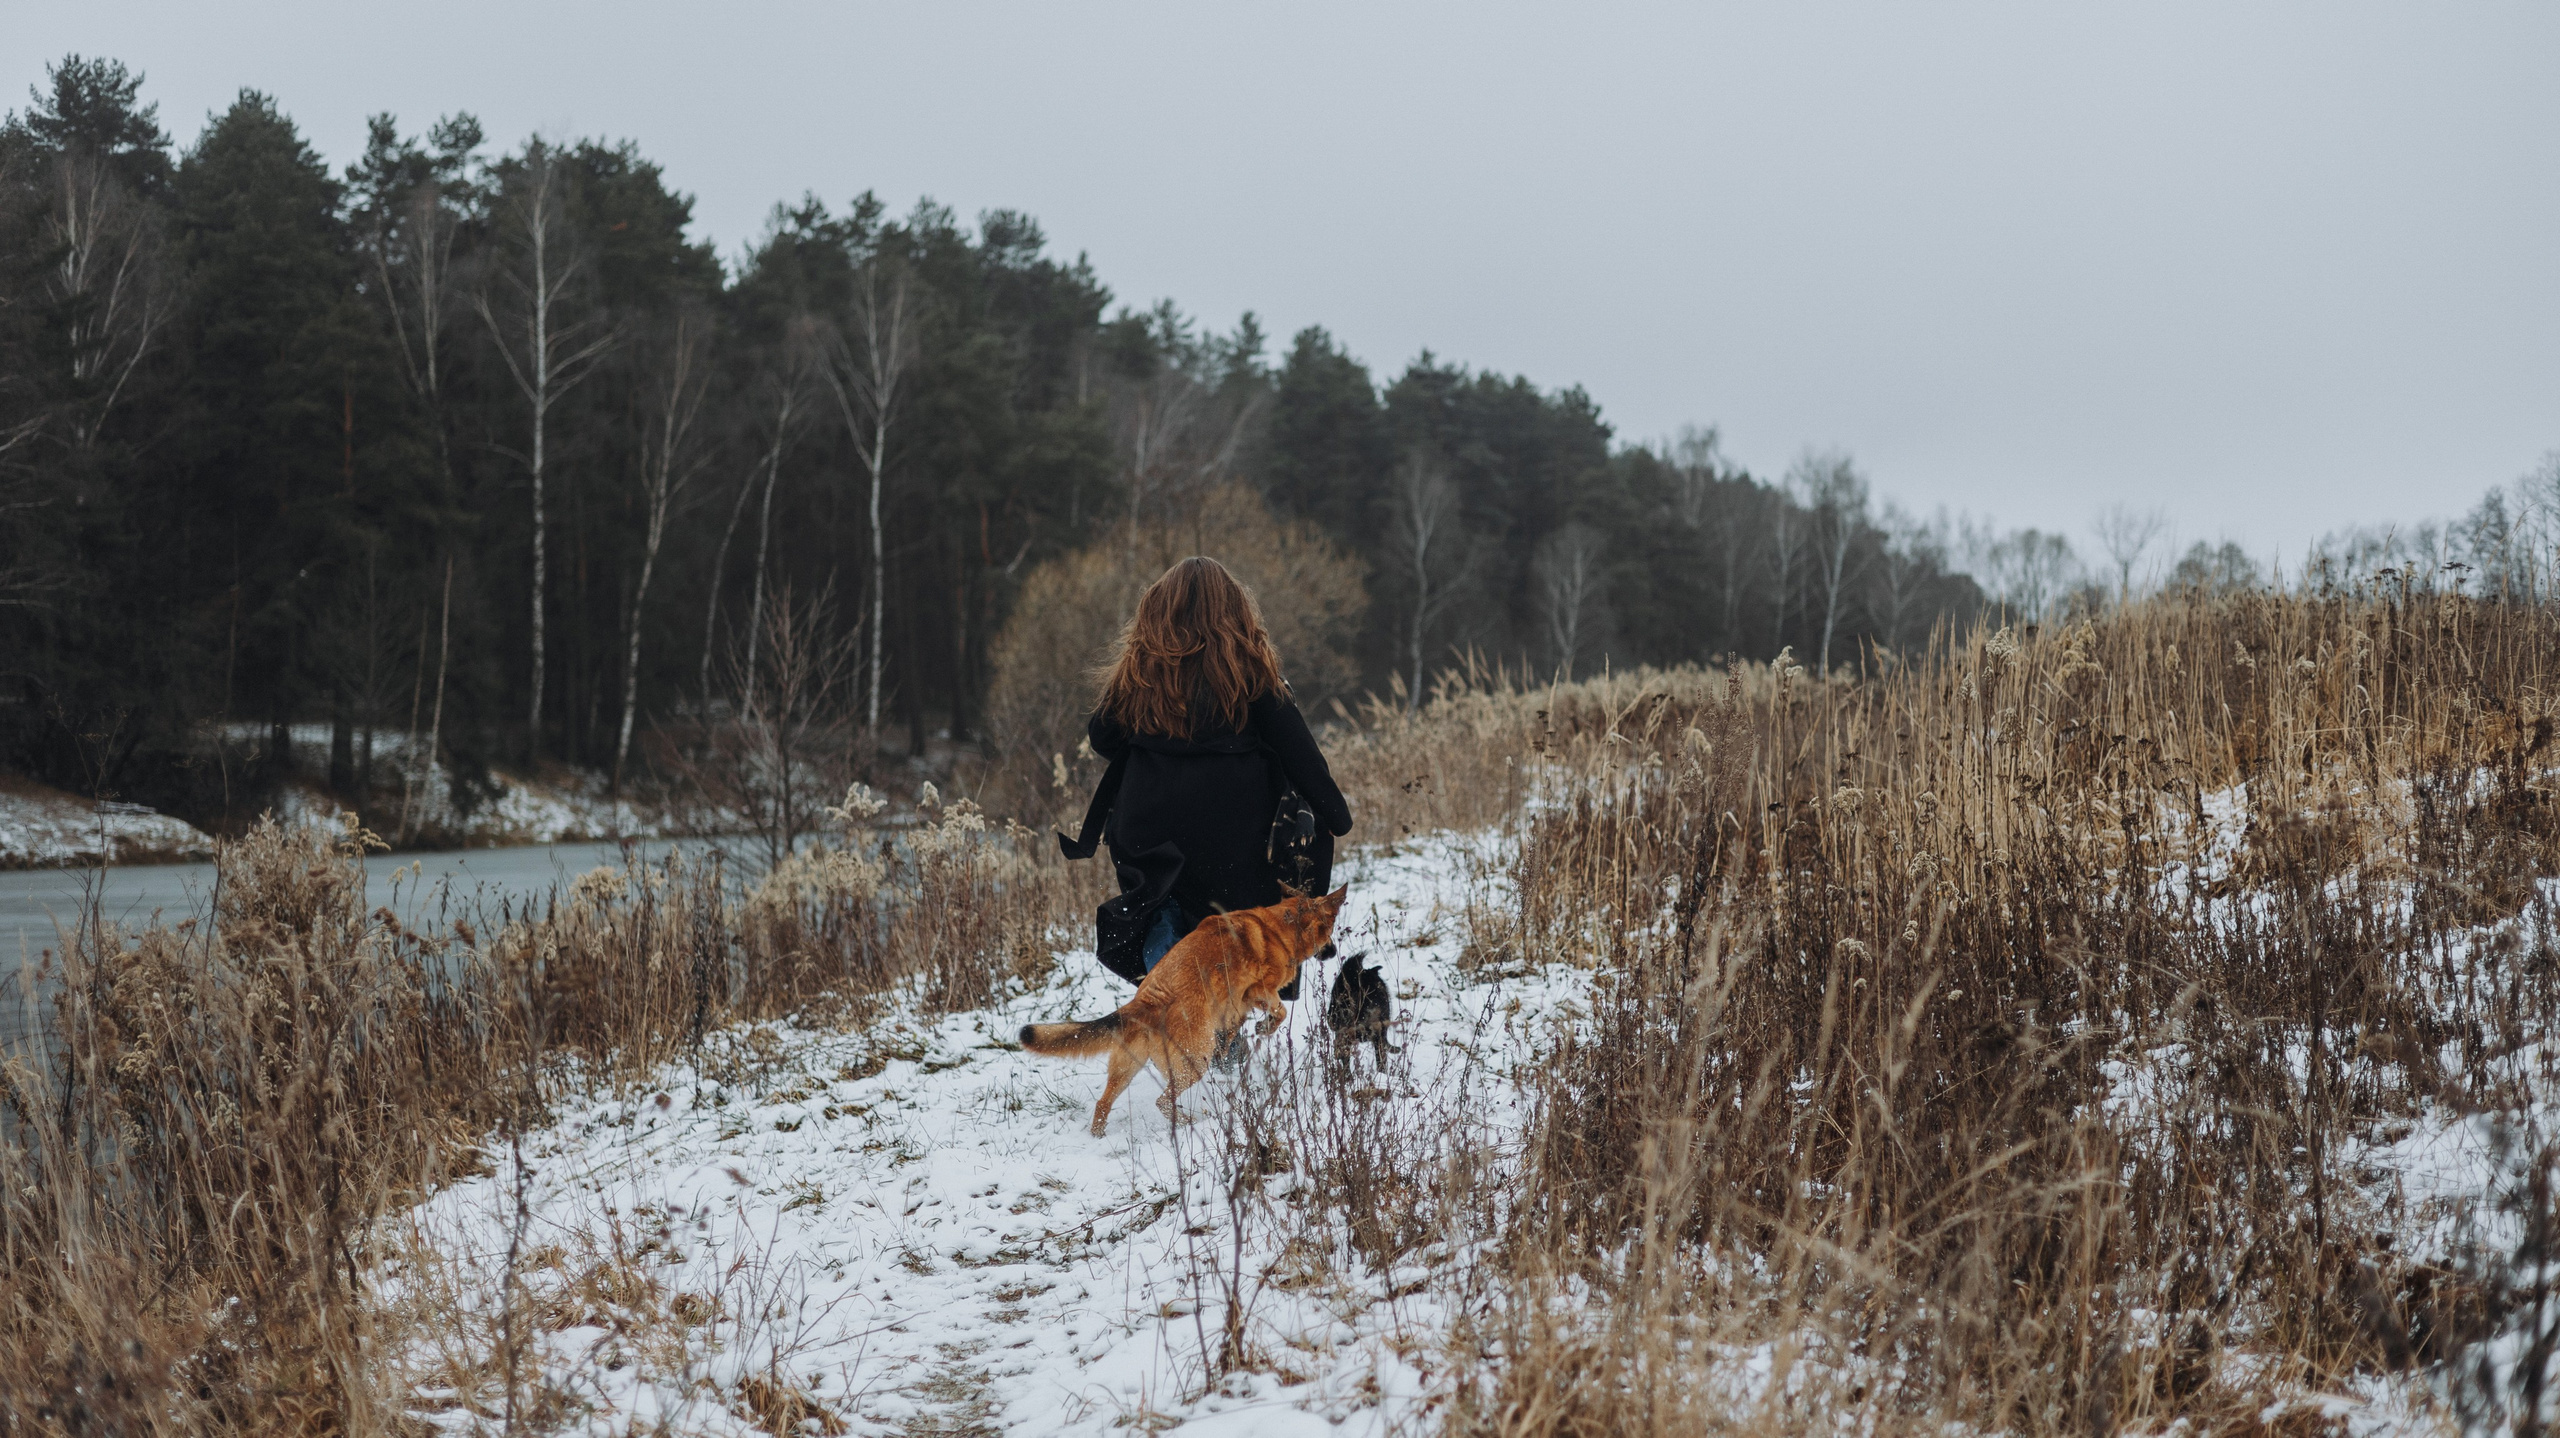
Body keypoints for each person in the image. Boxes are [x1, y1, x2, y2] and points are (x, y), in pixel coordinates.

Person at [1059, 556, 1353, 987]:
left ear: (1156, 616)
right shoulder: (1255, 678)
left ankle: (1168, 992)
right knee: (1230, 931)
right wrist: (1335, 818)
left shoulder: (1140, 676)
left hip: (1148, 833)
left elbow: (1102, 739)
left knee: (1163, 911)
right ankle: (1217, 1031)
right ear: (1236, 614)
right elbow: (1303, 757)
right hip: (1235, 839)